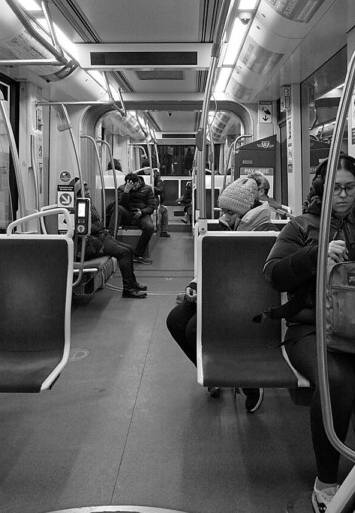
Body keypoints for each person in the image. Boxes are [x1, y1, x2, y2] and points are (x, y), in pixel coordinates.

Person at [262, 155, 355, 513]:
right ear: (321, 188)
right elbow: (274, 275)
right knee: (337, 380)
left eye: (350, 188)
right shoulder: (302, 227)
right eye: (335, 188)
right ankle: (326, 480)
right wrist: (315, 254)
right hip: (311, 328)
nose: (342, 196)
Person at [165, 176, 265, 412]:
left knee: (193, 330)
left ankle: (247, 381)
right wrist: (196, 285)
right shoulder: (229, 227)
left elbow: (250, 277)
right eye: (223, 211)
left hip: (241, 297)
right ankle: (215, 373)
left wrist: (212, 293)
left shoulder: (262, 231)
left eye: (230, 212)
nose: (224, 216)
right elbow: (211, 265)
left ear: (246, 210)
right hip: (216, 291)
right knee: (176, 320)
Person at [75, 180, 147, 299]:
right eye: (84, 190)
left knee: (129, 249)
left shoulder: (88, 203)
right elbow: (84, 227)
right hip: (95, 242)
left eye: (87, 189)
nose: (88, 192)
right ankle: (128, 289)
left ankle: (133, 283)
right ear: (78, 193)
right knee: (124, 253)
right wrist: (99, 227)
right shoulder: (80, 206)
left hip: (101, 236)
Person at [106, 172, 156, 263]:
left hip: (141, 214)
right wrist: (126, 192)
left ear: (138, 182)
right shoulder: (122, 188)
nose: (134, 188)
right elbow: (121, 204)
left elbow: (152, 207)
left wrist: (142, 212)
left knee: (150, 227)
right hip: (127, 214)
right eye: (131, 186)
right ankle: (111, 242)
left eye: (135, 186)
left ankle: (138, 254)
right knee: (117, 208)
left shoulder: (147, 189)